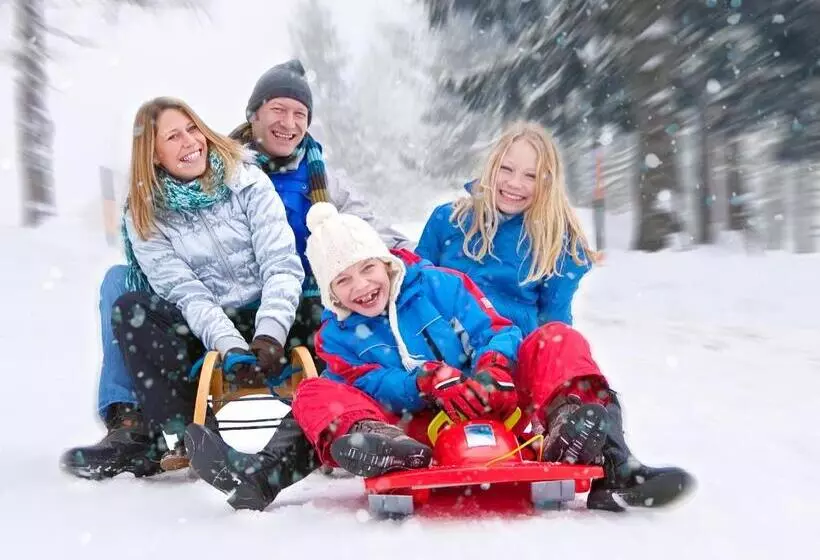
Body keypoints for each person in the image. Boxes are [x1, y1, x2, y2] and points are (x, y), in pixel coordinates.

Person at [61, 59, 411, 483]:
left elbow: (295, 257)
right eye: (173, 136)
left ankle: (356, 422)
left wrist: (270, 333)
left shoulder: (252, 179)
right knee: (127, 301)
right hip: (208, 320)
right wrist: (229, 345)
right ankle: (167, 432)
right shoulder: (154, 211)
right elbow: (185, 291)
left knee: (339, 305)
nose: (190, 142)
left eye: (192, 129)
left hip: (282, 304)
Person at [415, 121, 594, 336]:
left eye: (531, 176)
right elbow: (415, 288)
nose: (514, 183)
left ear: (547, 184)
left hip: (507, 349)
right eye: (506, 169)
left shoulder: (556, 243)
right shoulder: (449, 219)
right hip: (440, 344)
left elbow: (554, 327)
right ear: (492, 168)